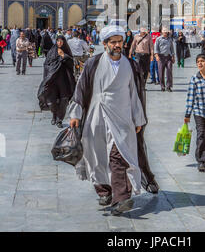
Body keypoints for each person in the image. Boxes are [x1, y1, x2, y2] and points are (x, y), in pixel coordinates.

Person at [67, 25, 158, 216]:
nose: (118, 45)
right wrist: (75, 114)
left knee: (120, 157)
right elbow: (81, 89)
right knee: (97, 156)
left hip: (123, 118)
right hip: (97, 116)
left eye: (120, 42)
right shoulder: (94, 63)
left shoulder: (131, 65)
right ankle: (104, 191)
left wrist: (138, 118)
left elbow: (135, 94)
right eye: (113, 42)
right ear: (105, 43)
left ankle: (121, 198)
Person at [37, 35, 75, 128]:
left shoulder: (66, 52)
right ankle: (54, 115)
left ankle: (59, 120)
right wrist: (51, 72)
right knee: (52, 100)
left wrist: (63, 56)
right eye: (58, 41)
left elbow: (71, 64)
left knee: (64, 100)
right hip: (52, 81)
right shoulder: (52, 51)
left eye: (61, 41)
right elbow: (46, 64)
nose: (59, 43)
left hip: (64, 80)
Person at [154, 27, 175, 92]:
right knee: (160, 72)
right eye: (164, 31)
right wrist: (156, 56)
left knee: (169, 72)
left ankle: (168, 86)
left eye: (166, 31)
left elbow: (172, 48)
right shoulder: (158, 39)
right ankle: (162, 86)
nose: (165, 32)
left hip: (168, 57)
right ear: (162, 32)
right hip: (161, 57)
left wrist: (173, 56)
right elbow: (156, 48)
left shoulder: (170, 39)